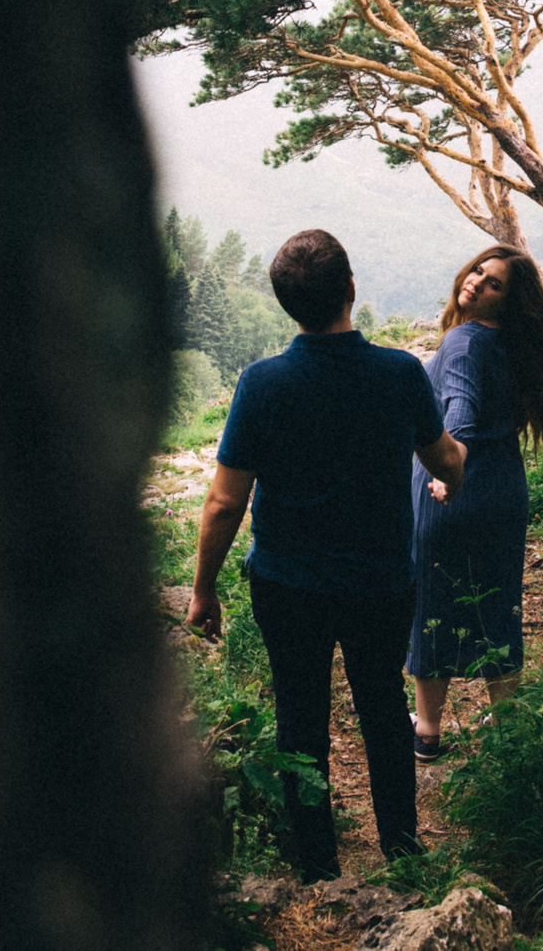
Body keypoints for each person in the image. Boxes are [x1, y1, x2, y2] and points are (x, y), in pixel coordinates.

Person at [188, 230, 466, 882]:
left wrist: (203, 588)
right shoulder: (400, 373)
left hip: (287, 584)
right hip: (380, 581)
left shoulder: (261, 383)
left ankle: (316, 864)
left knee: (300, 716)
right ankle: (401, 848)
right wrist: (457, 469)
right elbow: (445, 458)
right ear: (350, 288)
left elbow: (224, 503)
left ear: (286, 303)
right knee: (382, 707)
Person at [407, 246, 543, 759]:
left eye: (494, 284)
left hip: (452, 494)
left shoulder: (463, 341)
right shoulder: (515, 345)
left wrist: (450, 472)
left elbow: (458, 415)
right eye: (479, 271)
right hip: (503, 493)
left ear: (507, 301)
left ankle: (428, 733)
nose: (477, 282)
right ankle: (508, 732)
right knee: (499, 605)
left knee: (431, 607)